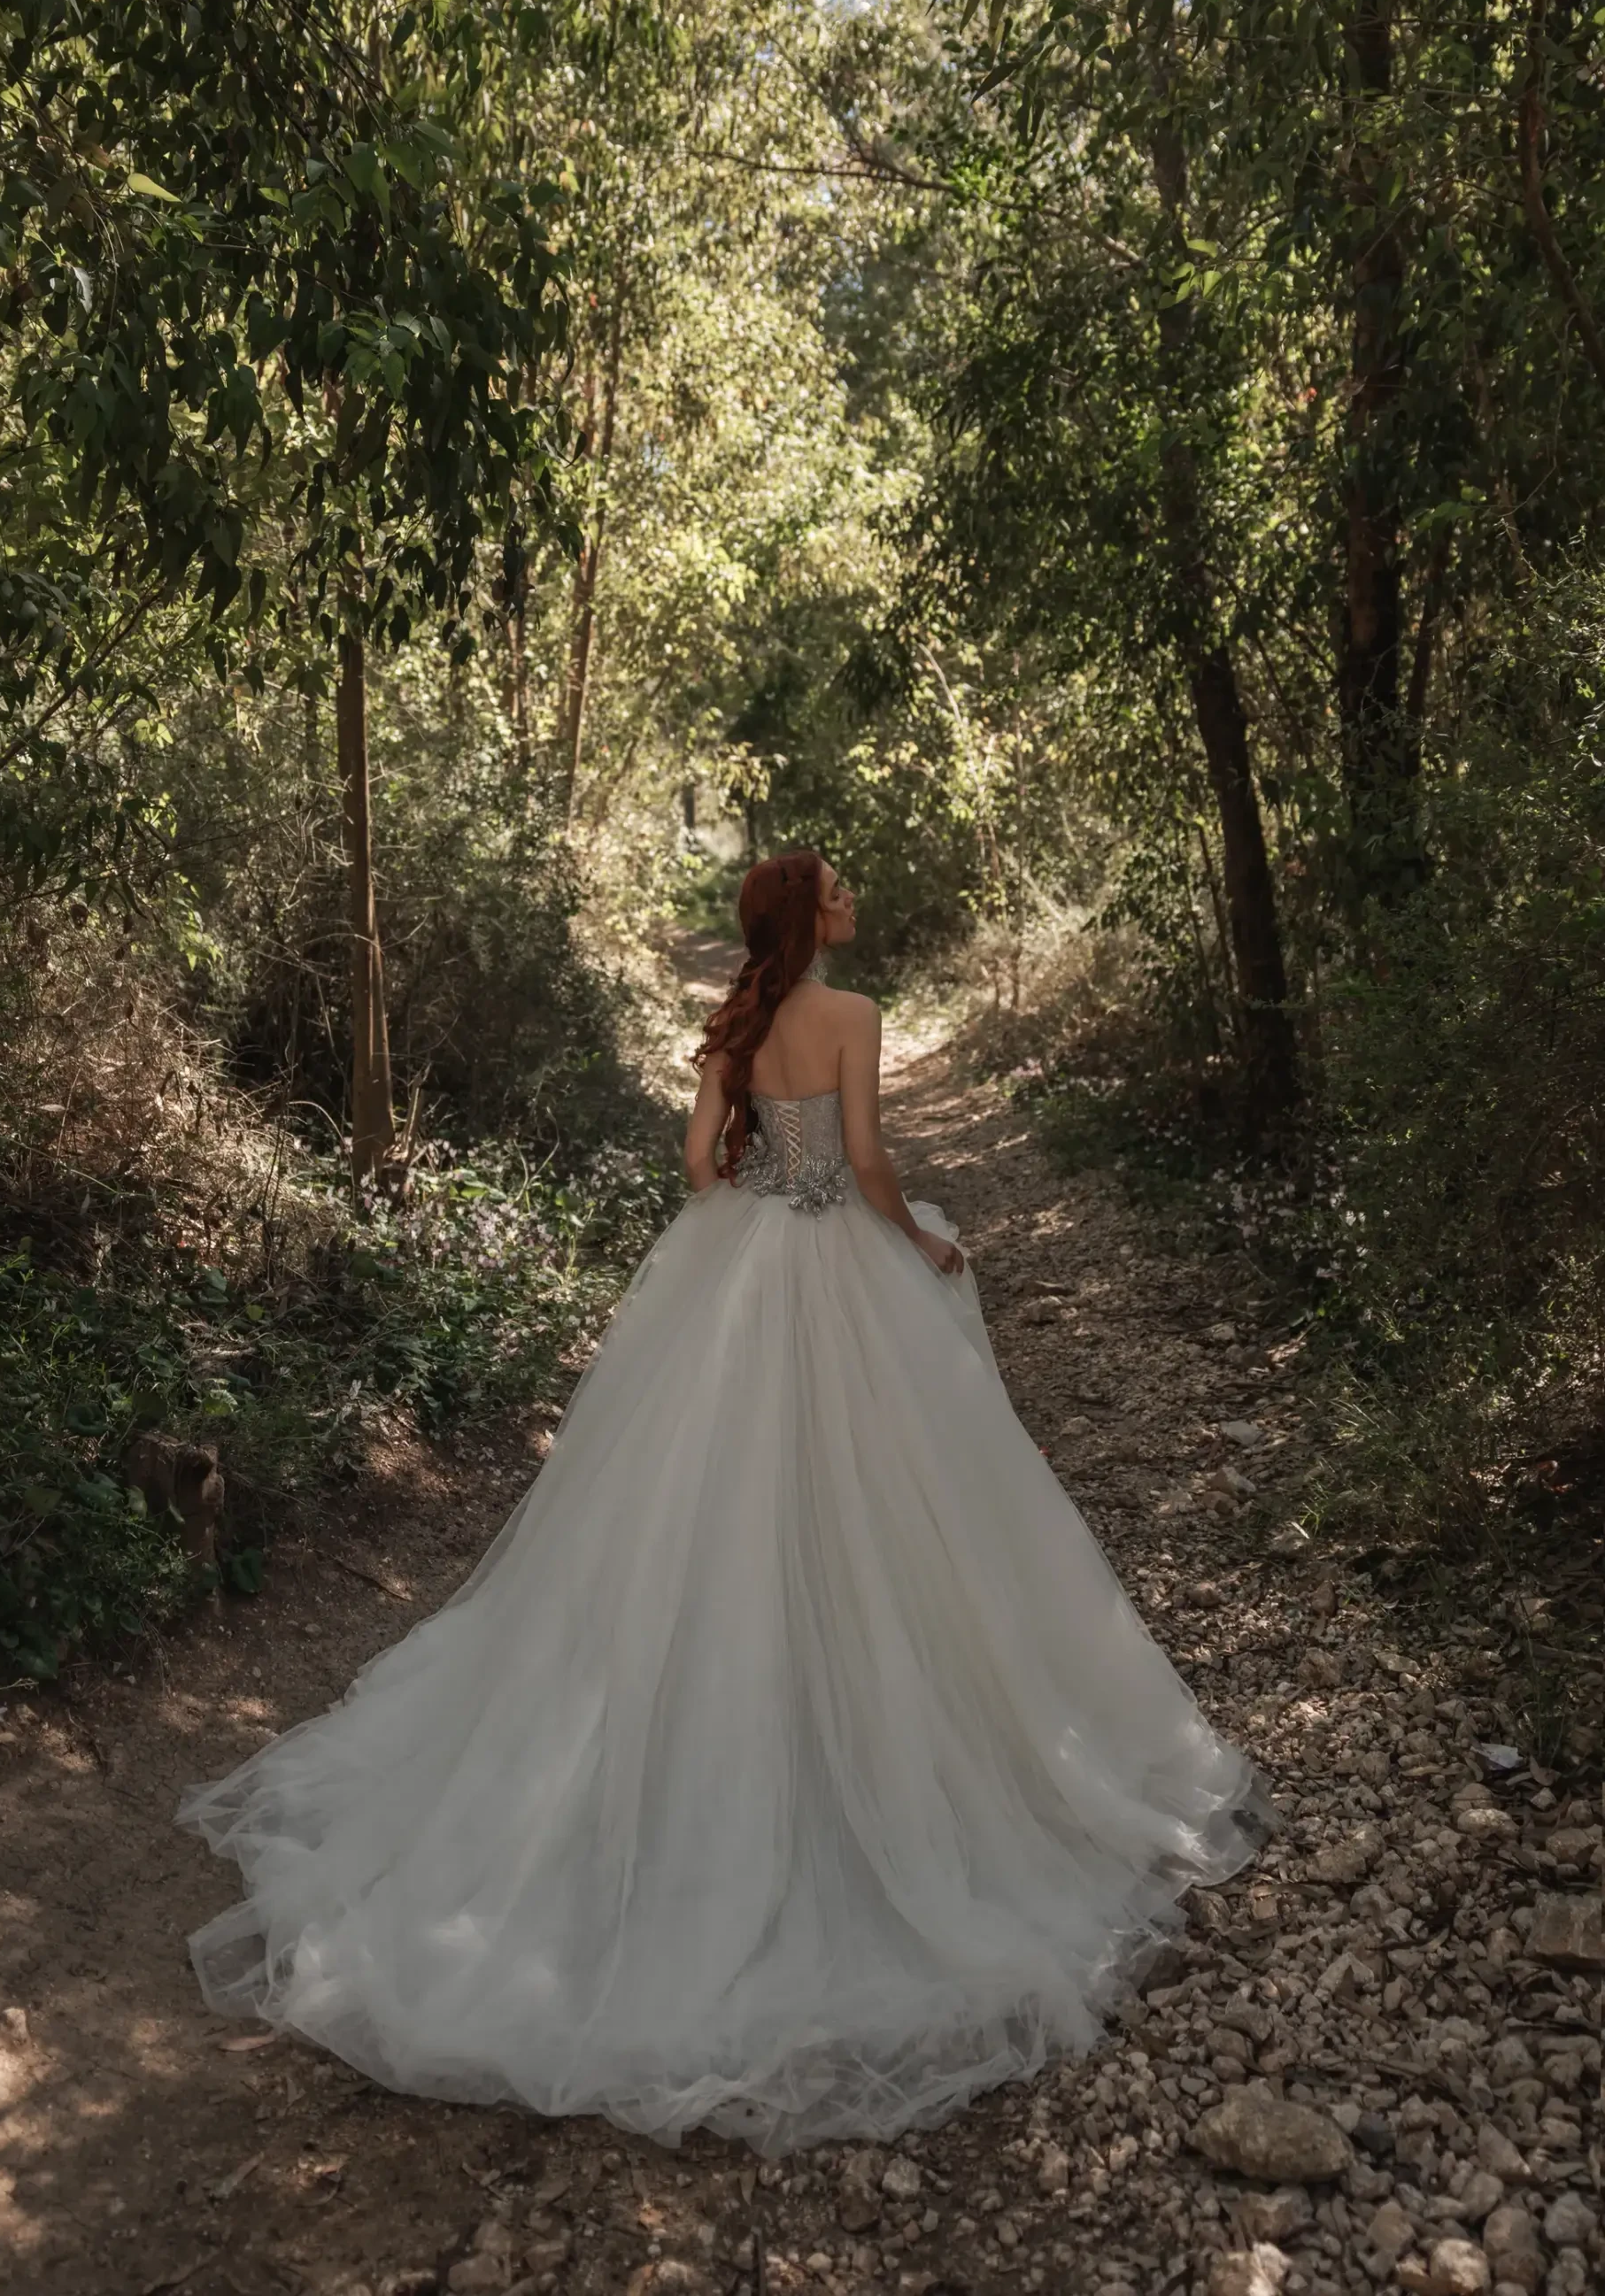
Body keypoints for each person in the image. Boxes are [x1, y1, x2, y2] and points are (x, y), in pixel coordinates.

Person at [179, 847, 1270, 2156]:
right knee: (887, 1508)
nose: (856, 899)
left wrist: (771, 1193)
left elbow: (704, 1169)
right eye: (843, 888)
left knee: (701, 1512)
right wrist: (913, 1237)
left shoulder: (738, 1022)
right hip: (841, 1266)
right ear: (814, 913)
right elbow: (867, 1161)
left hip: (747, 1264)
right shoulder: (854, 1017)